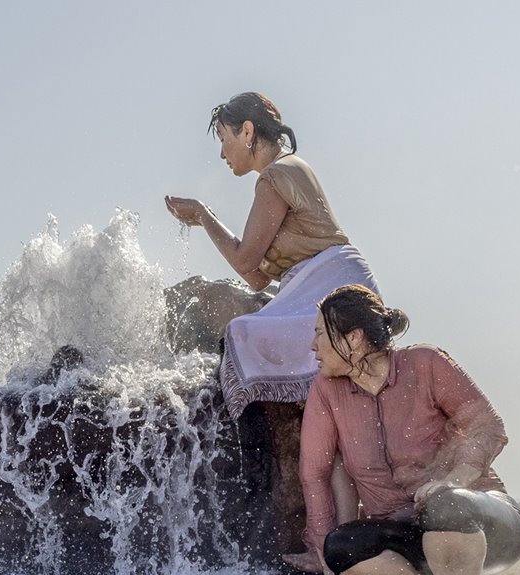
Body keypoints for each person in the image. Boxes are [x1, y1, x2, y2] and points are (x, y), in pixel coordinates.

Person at [293, 285, 520, 575]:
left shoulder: (426, 363)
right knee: (339, 549)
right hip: (407, 533)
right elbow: (314, 472)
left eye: (320, 333)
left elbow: (488, 427)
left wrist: (453, 481)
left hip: (483, 519)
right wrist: (319, 544)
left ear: (353, 337)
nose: (313, 346)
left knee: (445, 505)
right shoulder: (326, 389)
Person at [162, 92, 379, 417]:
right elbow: (257, 278)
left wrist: (204, 216)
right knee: (246, 335)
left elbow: (245, 260)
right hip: (325, 285)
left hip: (332, 288)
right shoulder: (285, 170)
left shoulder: (276, 174)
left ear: (247, 132)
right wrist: (203, 219)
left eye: (224, 139)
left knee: (239, 336)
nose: (222, 153)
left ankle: (255, 459)